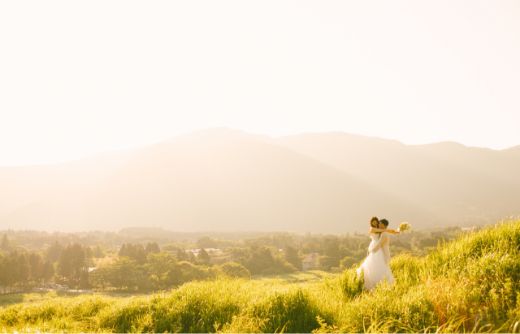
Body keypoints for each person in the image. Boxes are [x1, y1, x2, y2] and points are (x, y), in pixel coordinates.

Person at [356, 217, 398, 290]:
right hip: (374, 246)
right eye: (373, 222)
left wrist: (393, 231)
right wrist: (391, 231)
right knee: (371, 263)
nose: (375, 223)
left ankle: (378, 282)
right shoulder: (372, 229)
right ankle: (371, 281)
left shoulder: (381, 231)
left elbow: (383, 234)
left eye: (376, 222)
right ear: (371, 222)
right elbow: (383, 230)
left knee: (378, 264)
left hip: (378, 248)